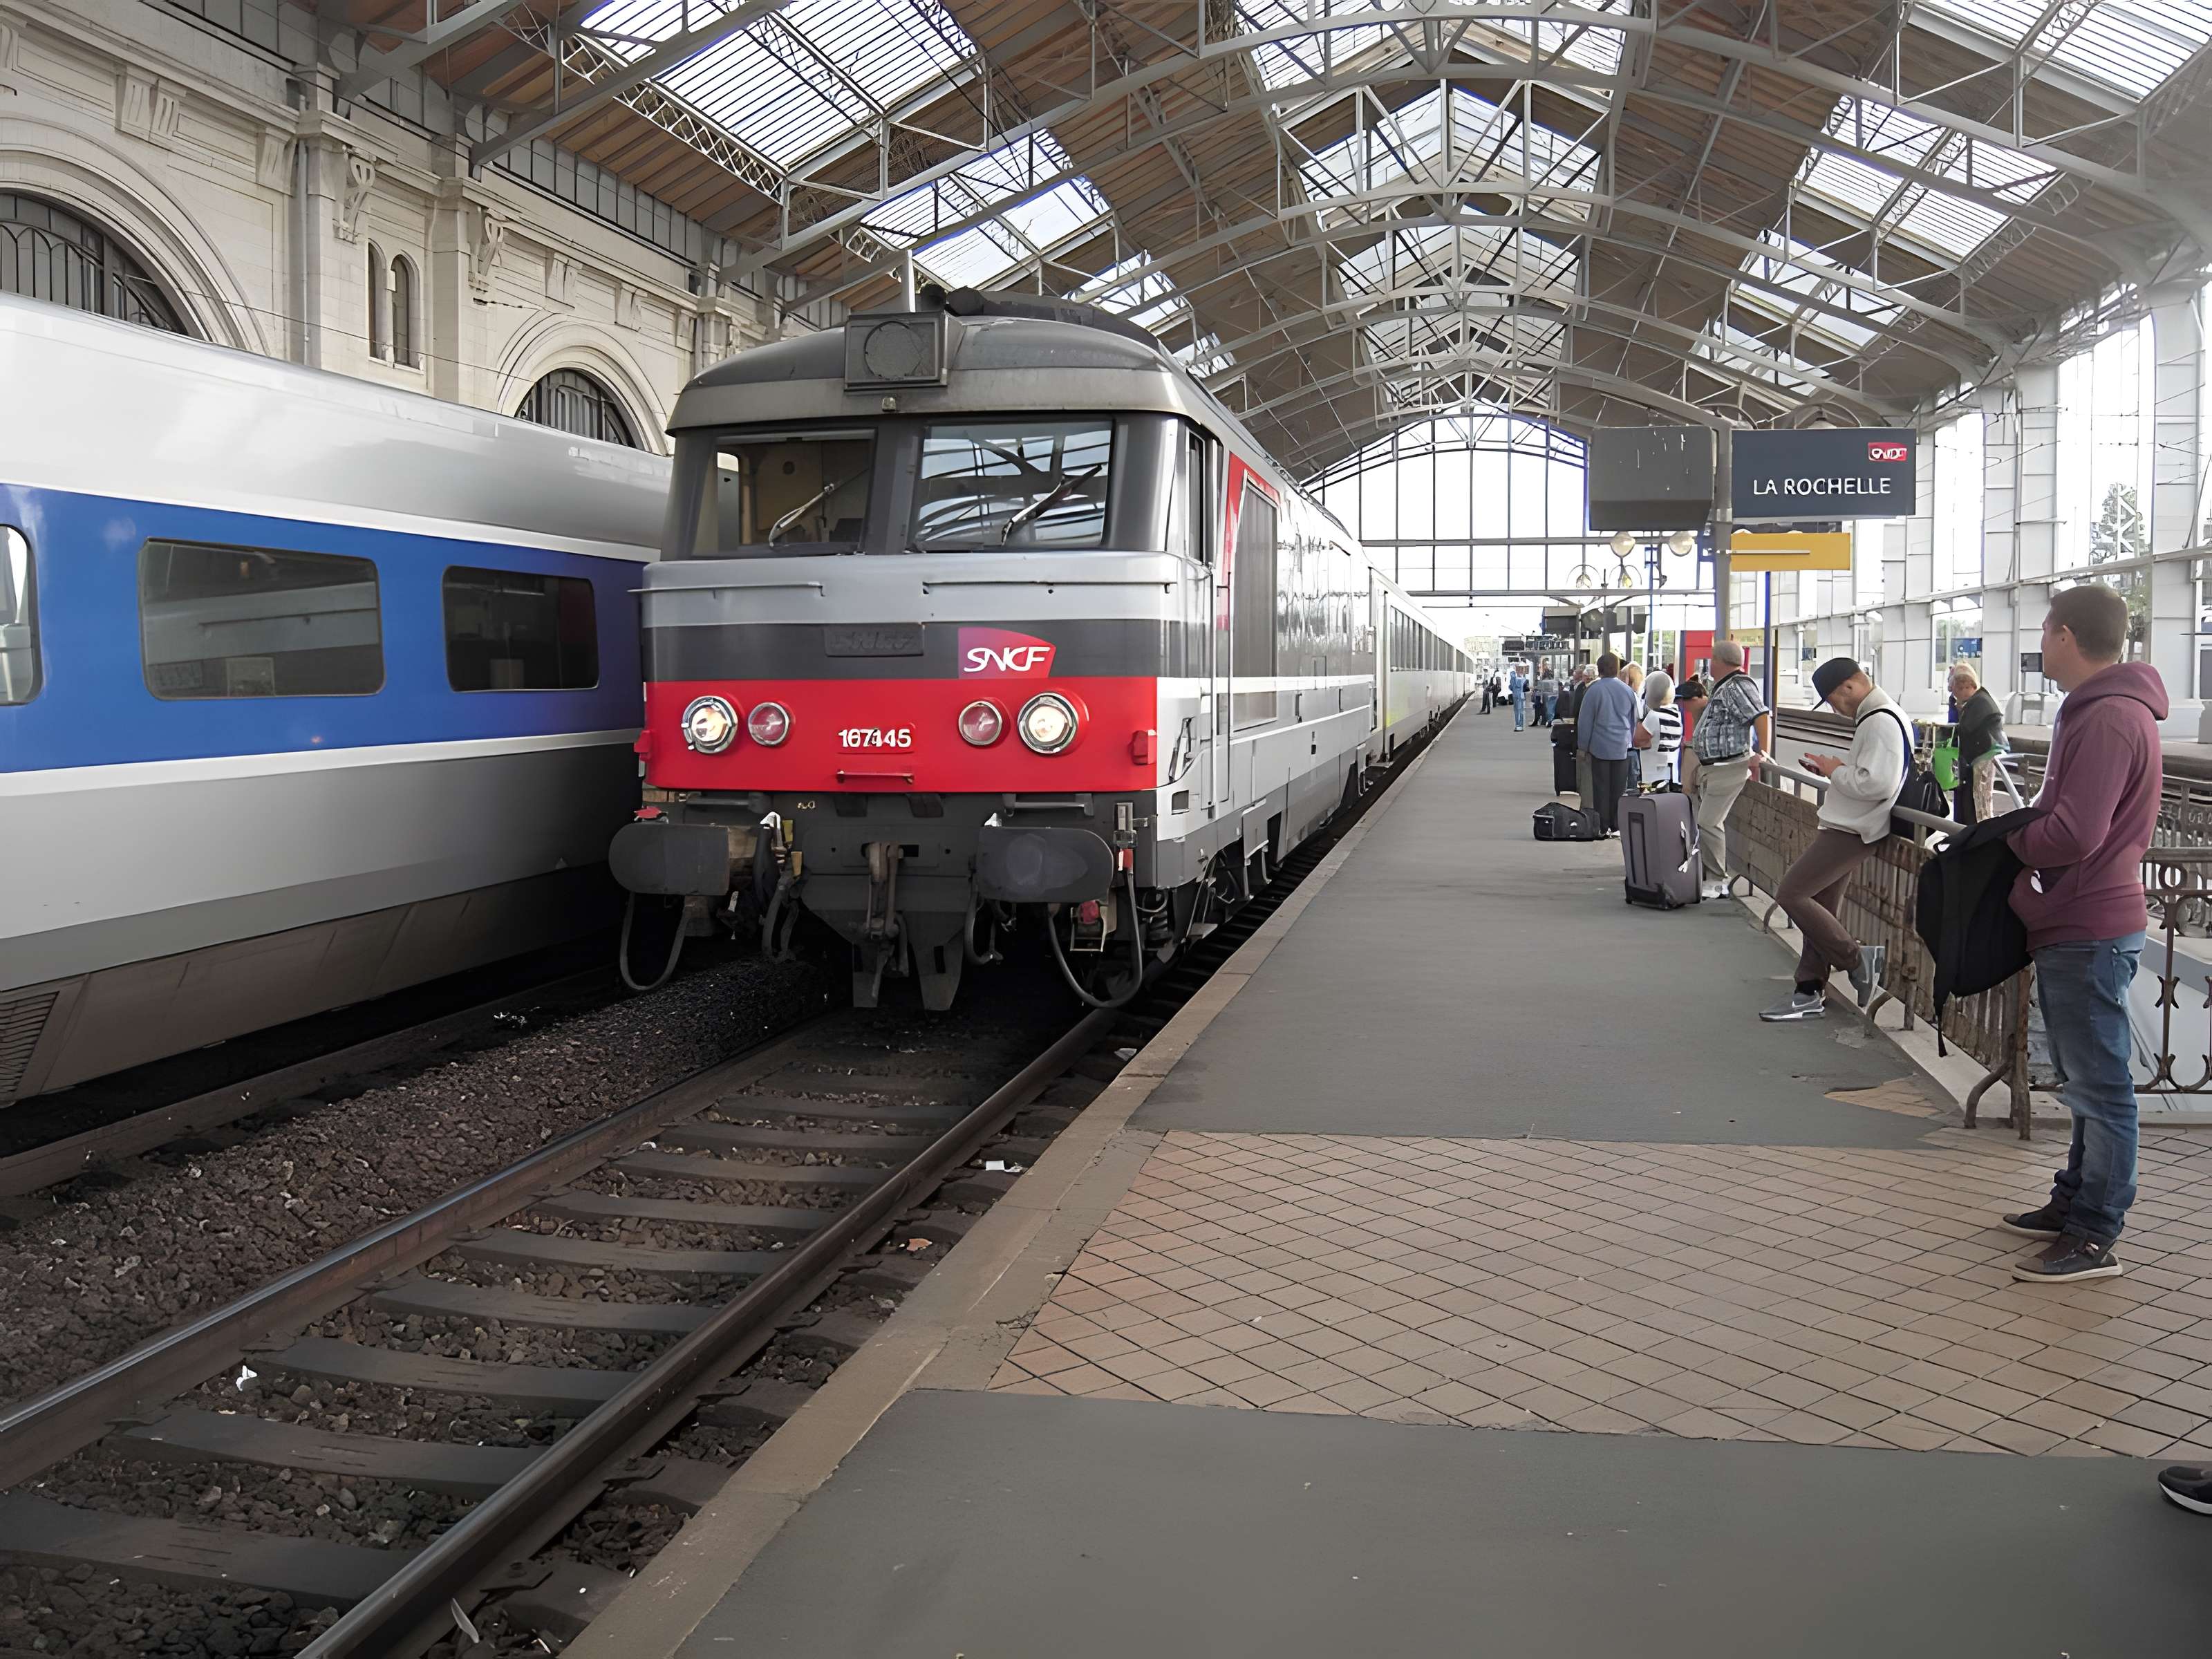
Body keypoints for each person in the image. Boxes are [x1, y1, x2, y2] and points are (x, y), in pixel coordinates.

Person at [1993, 585, 2165, 1291]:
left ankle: (2096, 1233)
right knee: (2087, 1080)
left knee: (2100, 1087)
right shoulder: (2108, 711)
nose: (2040, 642)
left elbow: (2072, 831)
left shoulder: (2105, 719)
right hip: (2082, 917)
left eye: (2043, 631)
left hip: (2089, 920)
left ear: (2065, 636)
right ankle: (2073, 1202)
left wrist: (2006, 841)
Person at [1761, 657, 1907, 1023]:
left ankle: (1857, 960)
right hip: (1852, 824)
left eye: (1832, 698)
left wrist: (1835, 770)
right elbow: (1872, 777)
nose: (1833, 707)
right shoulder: (1885, 716)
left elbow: (1877, 783)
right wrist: (1834, 769)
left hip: (1852, 828)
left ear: (1851, 686)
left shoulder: (1879, 721)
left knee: (1791, 893)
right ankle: (1808, 990)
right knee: (1819, 912)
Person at [1686, 641, 1768, 902]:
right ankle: (1714, 876)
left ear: (1718, 661)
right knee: (1709, 821)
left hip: (1729, 766)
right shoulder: (1726, 686)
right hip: (1716, 767)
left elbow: (1761, 715)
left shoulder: (1739, 685)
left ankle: (1718, 879)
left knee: (1708, 821)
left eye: (1711, 659)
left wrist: (1763, 753)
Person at [1575, 654, 1639, 836]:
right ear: (1617, 669)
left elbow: (1585, 722)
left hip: (1600, 748)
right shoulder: (1628, 692)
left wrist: (1583, 747)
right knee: (1619, 789)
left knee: (1601, 789)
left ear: (1599, 669)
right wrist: (1629, 740)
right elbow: (1633, 720)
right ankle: (1617, 825)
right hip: (1621, 748)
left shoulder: (1593, 691)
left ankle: (1602, 827)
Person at [1949, 663, 2005, 825]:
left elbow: (1964, 730)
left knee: (1978, 802)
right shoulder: (1980, 699)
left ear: (1965, 687)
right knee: (1977, 801)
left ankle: (1977, 834)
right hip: (1982, 758)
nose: (1955, 696)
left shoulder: (1979, 703)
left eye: (1955, 691)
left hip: (1982, 760)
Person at [1637, 672, 1683, 791]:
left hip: (1652, 781)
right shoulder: (1676, 715)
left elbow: (1637, 740)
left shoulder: (1653, 717)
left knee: (1649, 808)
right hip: (1671, 778)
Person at [1509, 664, 1528, 731]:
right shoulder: (1524, 680)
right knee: (1521, 711)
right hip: (1521, 697)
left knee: (1517, 711)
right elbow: (1526, 688)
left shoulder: (1513, 679)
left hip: (1515, 696)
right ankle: (1520, 726)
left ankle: (1517, 725)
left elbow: (1511, 687)